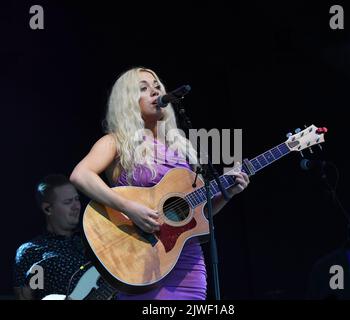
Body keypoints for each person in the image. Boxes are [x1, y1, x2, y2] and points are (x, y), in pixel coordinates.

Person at [69, 67, 250, 300]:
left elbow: (196, 216)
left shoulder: (182, 148)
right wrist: (130, 208)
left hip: (187, 265)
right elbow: (80, 175)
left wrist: (227, 194)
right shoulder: (116, 142)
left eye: (157, 87)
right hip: (139, 260)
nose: (155, 92)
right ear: (128, 101)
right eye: (144, 89)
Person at [13, 174, 86, 300]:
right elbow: (27, 296)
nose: (77, 206)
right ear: (47, 209)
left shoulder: (92, 240)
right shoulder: (32, 252)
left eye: (77, 199)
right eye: (68, 202)